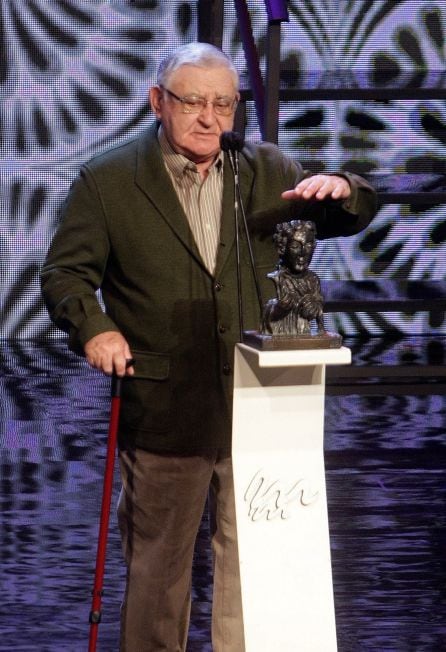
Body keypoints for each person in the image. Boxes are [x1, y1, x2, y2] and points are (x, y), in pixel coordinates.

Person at [41, 42, 377, 651]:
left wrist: (343, 187)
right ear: (157, 102)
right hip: (166, 406)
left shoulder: (266, 169)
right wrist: (95, 328)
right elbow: (63, 275)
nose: (209, 118)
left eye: (224, 104)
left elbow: (348, 210)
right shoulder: (110, 179)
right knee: (158, 577)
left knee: (252, 568)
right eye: (193, 101)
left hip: (261, 407)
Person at [262, 220, 325, 336]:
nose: (303, 252)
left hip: (304, 338)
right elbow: (266, 315)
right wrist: (279, 308)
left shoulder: (313, 279)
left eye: (309, 245)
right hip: (280, 337)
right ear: (282, 248)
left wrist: (315, 306)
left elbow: (320, 321)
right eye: (295, 246)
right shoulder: (277, 278)